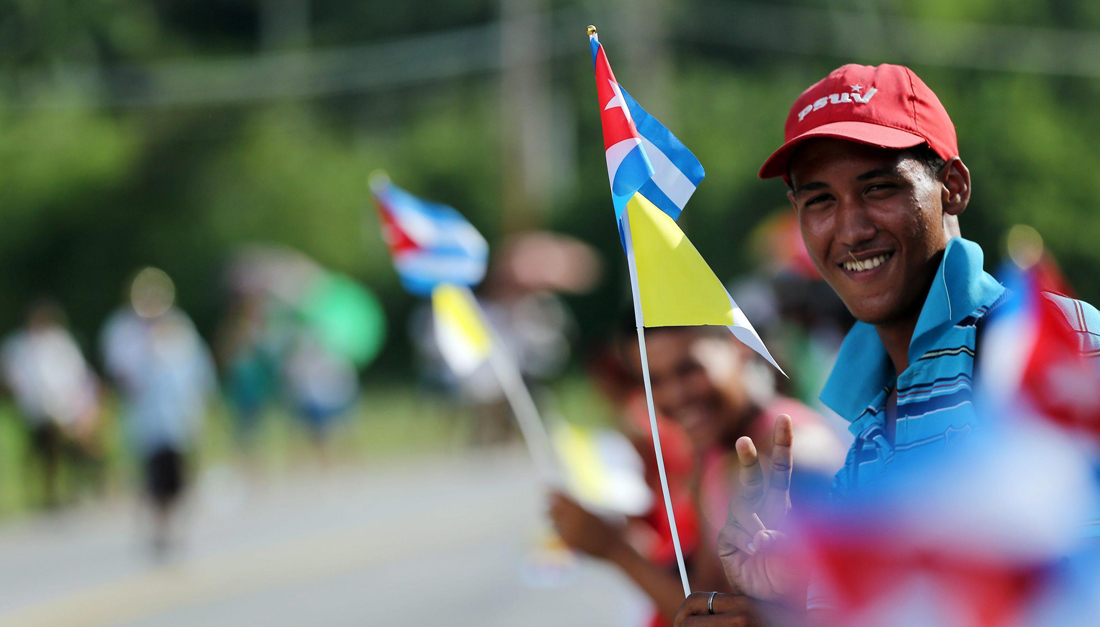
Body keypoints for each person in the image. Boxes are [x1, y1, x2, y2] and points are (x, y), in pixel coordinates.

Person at [674, 64, 1100, 625]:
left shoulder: (1046, 346)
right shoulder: (865, 433)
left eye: (878, 188)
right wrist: (783, 599)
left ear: (953, 186)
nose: (851, 230)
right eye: (820, 201)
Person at [551, 323, 845, 624]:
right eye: (653, 381)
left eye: (688, 369)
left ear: (738, 345)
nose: (673, 395)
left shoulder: (794, 456)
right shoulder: (713, 451)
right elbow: (709, 594)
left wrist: (615, 550)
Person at [101, 267, 216, 556]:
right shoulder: (124, 330)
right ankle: (156, 526)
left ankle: (174, 525)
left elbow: (196, 368)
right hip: (146, 416)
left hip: (178, 414)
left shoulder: (179, 326)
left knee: (178, 473)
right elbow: (120, 371)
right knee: (152, 475)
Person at [0, 299, 102, 508]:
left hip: (67, 408)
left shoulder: (61, 343)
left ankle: (85, 481)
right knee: (48, 447)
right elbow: (13, 381)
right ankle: (52, 492)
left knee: (81, 442)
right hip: (35, 412)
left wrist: (82, 407)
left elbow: (77, 376)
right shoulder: (17, 347)